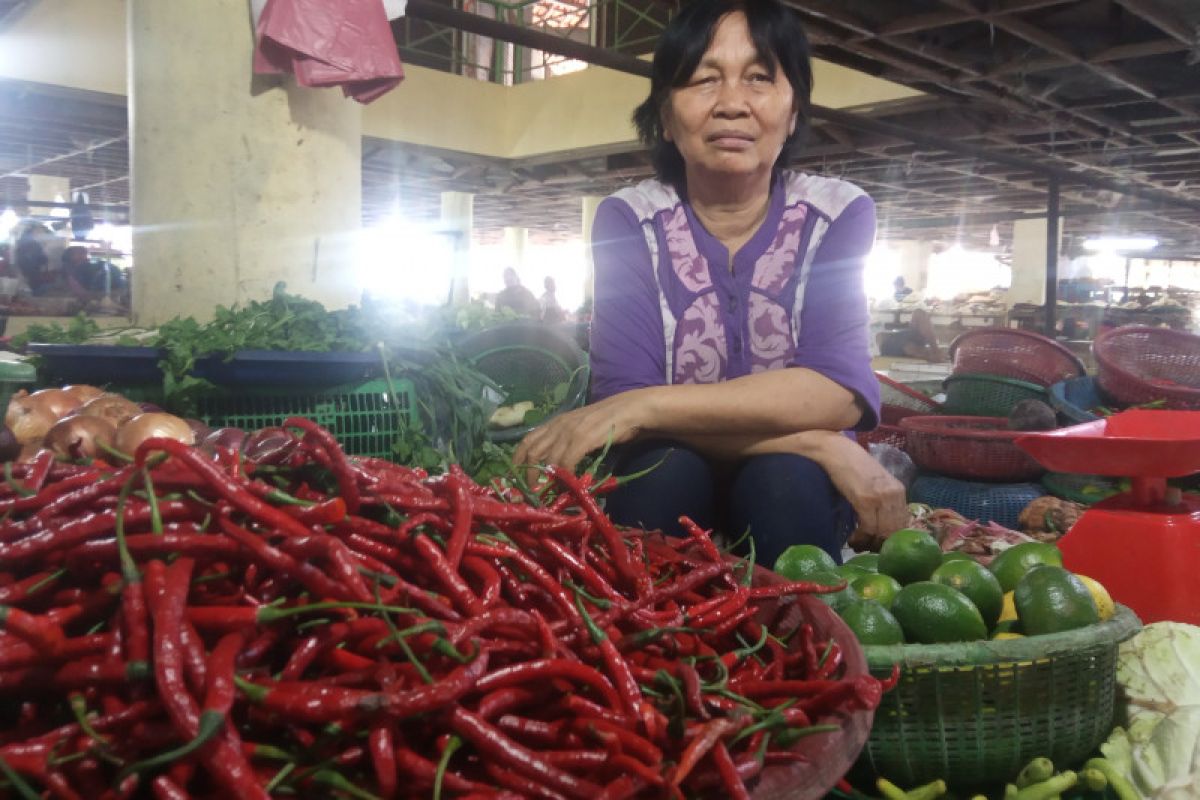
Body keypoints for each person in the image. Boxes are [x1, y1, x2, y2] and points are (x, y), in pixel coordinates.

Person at [514, 0, 906, 566]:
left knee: (783, 481)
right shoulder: (630, 221)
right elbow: (622, 402)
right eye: (703, 80)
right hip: (667, 467)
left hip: (794, 486)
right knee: (664, 473)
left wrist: (645, 407)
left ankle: (803, 646)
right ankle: (650, 645)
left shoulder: (836, 215)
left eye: (759, 78)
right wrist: (813, 438)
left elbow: (836, 390)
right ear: (666, 117)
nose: (731, 105)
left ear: (793, 110)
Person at [875, 308, 945, 362]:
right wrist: (932, 353)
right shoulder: (905, 343)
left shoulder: (914, 336)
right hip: (897, 348)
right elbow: (911, 350)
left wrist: (934, 350)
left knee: (919, 313)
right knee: (919, 313)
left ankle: (934, 351)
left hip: (902, 343)